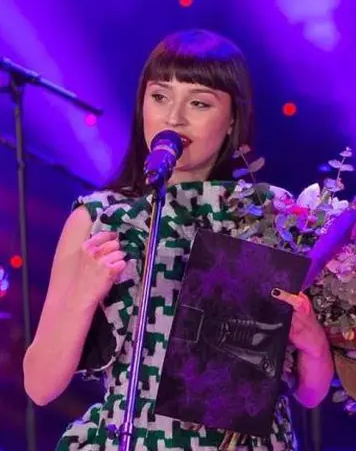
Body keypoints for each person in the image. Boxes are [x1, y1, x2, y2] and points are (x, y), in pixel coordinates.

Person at [23, 29, 334, 450]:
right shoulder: (99, 218)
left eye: (199, 103)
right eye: (160, 96)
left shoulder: (268, 215)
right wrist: (83, 295)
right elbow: (40, 386)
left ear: (232, 120)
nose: (174, 118)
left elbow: (309, 393)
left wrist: (312, 341)